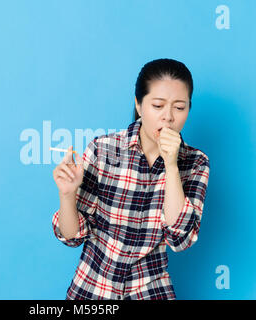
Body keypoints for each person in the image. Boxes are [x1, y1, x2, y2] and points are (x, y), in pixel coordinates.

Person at [51, 58, 210, 300]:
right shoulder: (103, 150)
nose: (168, 117)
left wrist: (171, 165)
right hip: (92, 289)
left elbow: (180, 239)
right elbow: (72, 236)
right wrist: (67, 194)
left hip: (150, 289)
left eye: (179, 107)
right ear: (138, 104)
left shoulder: (196, 162)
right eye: (158, 105)